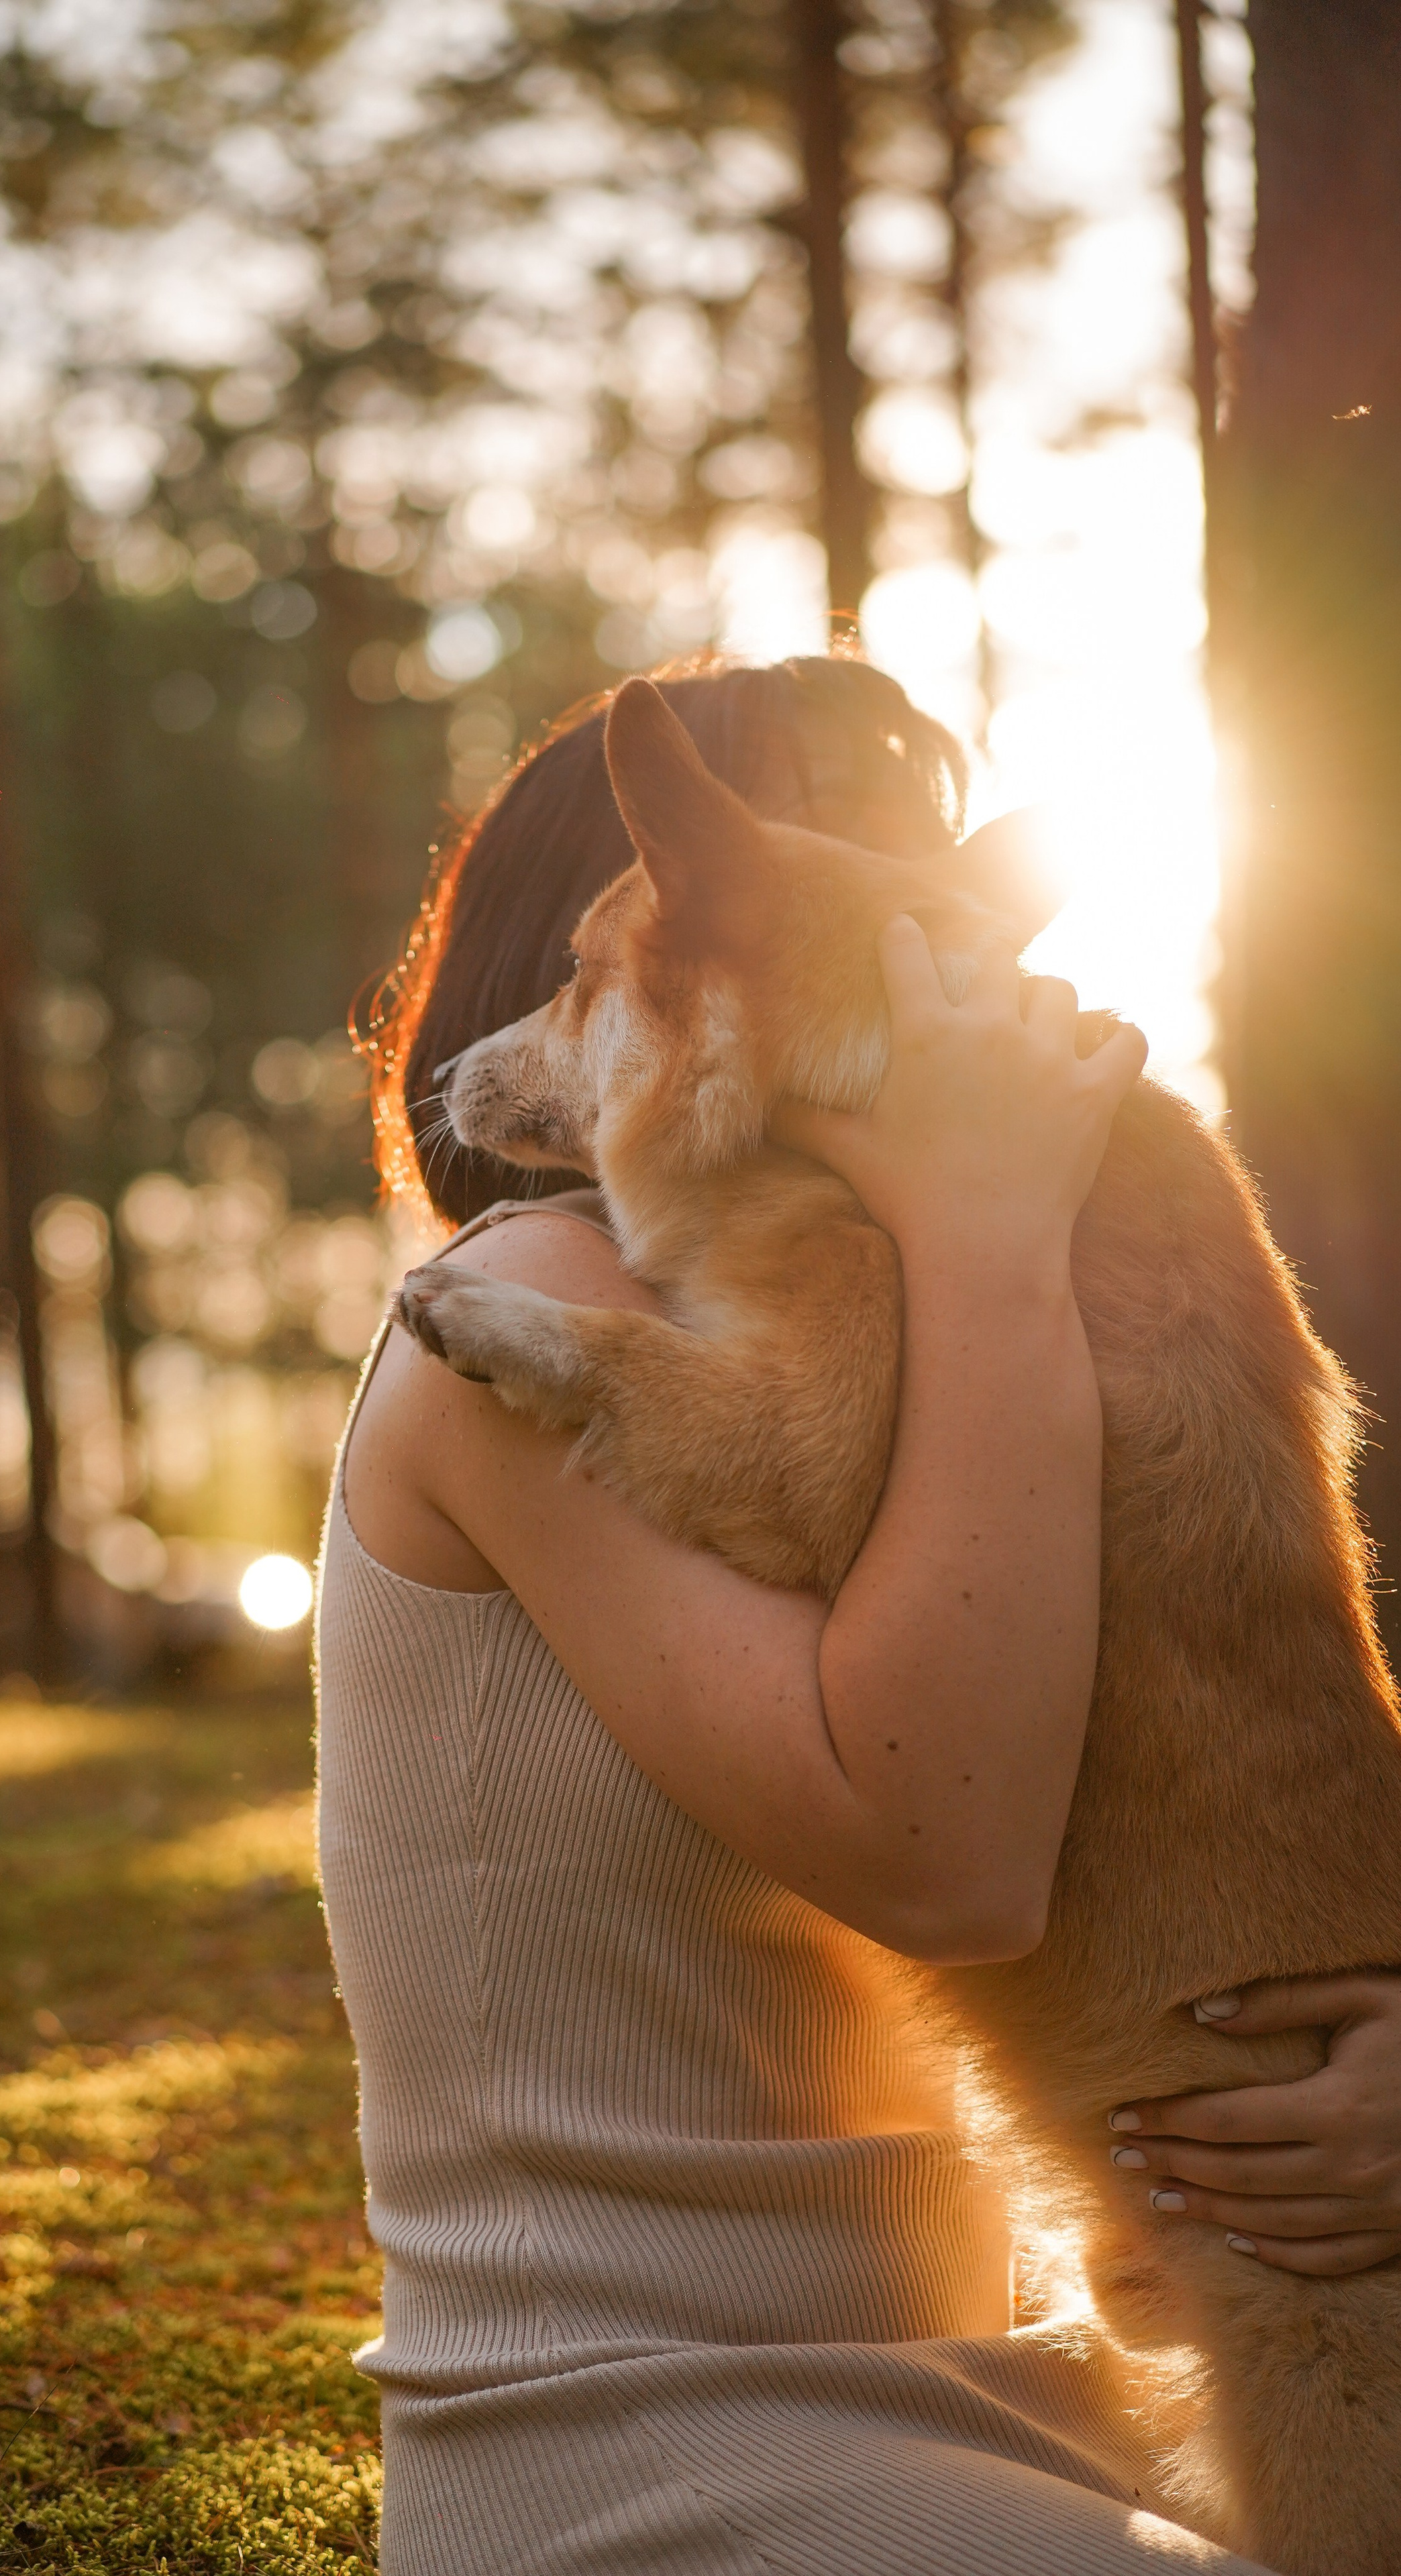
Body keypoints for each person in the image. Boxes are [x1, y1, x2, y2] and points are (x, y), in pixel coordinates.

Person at [316, 657, 1401, 2576]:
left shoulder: (935, 1321)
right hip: (632, 2440)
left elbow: (1234, 1743)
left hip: (994, 2393)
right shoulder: (532, 1311)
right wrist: (983, 1223)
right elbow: (951, 1849)